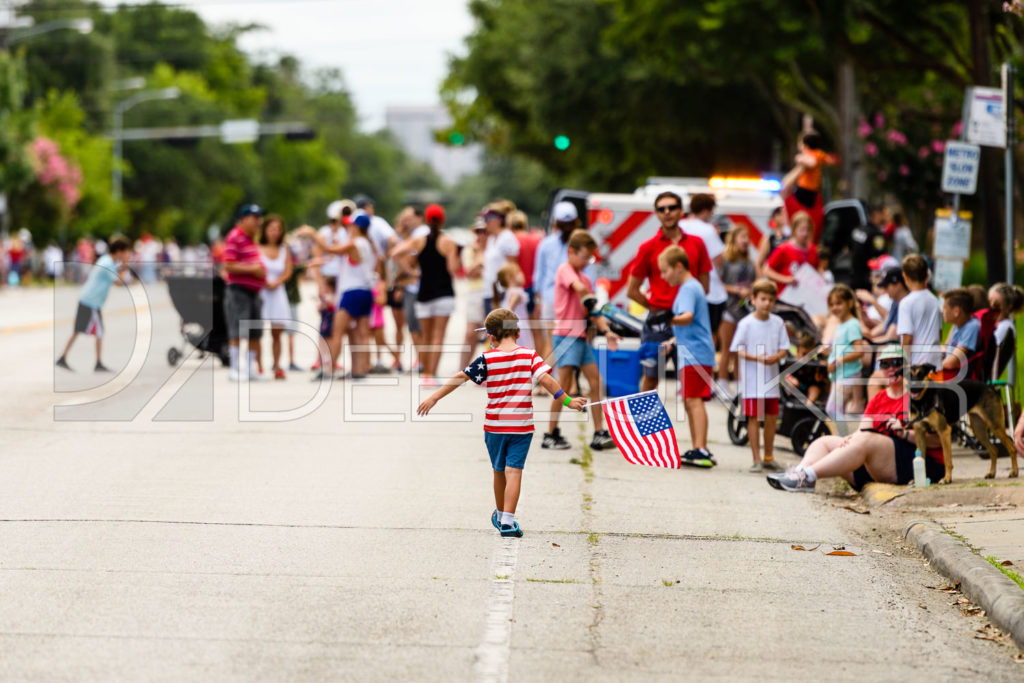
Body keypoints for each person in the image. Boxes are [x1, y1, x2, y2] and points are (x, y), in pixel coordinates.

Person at [417, 308, 586, 538]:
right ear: (517, 332)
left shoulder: (487, 358)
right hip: (522, 426)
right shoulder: (529, 355)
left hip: (495, 427)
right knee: (514, 471)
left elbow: (460, 377)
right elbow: (546, 380)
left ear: (491, 337)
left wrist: (434, 397)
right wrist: (568, 400)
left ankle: (499, 514)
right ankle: (508, 520)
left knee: (499, 471)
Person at [767, 344, 945, 492]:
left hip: (916, 462)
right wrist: (848, 441)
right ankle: (800, 475)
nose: (891, 369)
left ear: (906, 367)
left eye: (896, 363)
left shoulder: (921, 396)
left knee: (866, 439)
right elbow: (862, 430)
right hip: (875, 461)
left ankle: (809, 475)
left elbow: (938, 441)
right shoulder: (879, 397)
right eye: (885, 364)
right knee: (825, 442)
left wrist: (904, 433)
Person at [627, 191, 712, 394]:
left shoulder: (697, 243)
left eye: (672, 207)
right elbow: (632, 289)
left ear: (681, 211)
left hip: (688, 321)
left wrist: (688, 306)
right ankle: (643, 425)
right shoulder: (648, 247)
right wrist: (655, 308)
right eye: (661, 209)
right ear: (656, 213)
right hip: (659, 322)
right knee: (650, 378)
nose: (667, 212)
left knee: (690, 383)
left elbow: (704, 286)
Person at [543, 230, 620, 451]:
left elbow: (592, 312)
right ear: (571, 252)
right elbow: (579, 289)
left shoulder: (585, 277)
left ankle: (599, 432)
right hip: (566, 336)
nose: (587, 262)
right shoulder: (565, 270)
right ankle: (551, 433)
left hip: (582, 338)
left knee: (596, 382)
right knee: (564, 386)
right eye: (585, 257)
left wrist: (607, 331)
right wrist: (589, 297)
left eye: (590, 258)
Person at [659, 246, 717, 467]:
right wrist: (673, 341)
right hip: (691, 353)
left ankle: (701, 448)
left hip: (696, 355)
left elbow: (688, 316)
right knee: (690, 401)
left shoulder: (688, 288)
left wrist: (668, 320)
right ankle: (697, 447)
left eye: (665, 271)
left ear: (679, 266)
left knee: (694, 401)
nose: (664, 277)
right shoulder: (692, 287)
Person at [390, 204, 460, 384]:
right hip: (444, 293)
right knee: (438, 336)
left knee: (426, 336)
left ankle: (426, 374)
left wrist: (412, 271)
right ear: (443, 220)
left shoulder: (419, 241)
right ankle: (433, 373)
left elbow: (396, 253)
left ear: (427, 220)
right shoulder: (448, 242)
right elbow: (453, 269)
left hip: (424, 294)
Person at [729, 278, 789, 472]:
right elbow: (737, 349)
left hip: (770, 380)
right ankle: (756, 457)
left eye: (771, 300)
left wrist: (776, 357)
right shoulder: (746, 323)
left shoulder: (778, 322)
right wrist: (755, 358)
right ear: (753, 299)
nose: (767, 303)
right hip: (752, 381)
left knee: (771, 417)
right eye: (763, 299)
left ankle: (768, 456)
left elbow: (784, 348)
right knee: (753, 418)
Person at [55, 235, 132, 372]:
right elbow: (119, 283)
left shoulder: (106, 260)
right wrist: (124, 267)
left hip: (88, 300)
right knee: (98, 331)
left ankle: (64, 357)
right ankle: (97, 363)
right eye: (126, 252)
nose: (128, 255)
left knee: (80, 330)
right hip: (91, 302)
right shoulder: (108, 263)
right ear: (119, 251)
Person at [533, 201, 583, 366]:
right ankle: (555, 383)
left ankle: (544, 383)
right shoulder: (580, 244)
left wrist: (538, 301)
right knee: (572, 342)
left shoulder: (546, 243)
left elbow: (538, 277)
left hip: (551, 300)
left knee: (551, 341)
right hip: (569, 302)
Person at [221, 204, 267, 381]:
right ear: (244, 219)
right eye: (255, 218)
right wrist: (253, 269)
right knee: (237, 330)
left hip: (253, 292)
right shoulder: (235, 237)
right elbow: (229, 264)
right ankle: (234, 368)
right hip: (239, 291)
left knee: (254, 332)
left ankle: (249, 369)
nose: (258, 222)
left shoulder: (250, 238)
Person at [677, 194, 728, 340]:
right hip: (709, 291)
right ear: (706, 210)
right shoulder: (707, 230)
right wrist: (717, 236)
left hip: (681, 286)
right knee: (708, 332)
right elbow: (719, 260)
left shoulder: (680, 226)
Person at [718, 223, 756, 394]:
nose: (746, 241)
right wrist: (736, 290)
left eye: (747, 237)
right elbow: (718, 283)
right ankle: (723, 382)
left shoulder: (750, 262)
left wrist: (750, 291)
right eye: (743, 237)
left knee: (741, 349)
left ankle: (740, 384)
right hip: (728, 309)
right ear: (734, 240)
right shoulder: (726, 260)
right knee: (727, 348)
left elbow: (755, 281)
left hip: (744, 311)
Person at [826, 284, 867, 434]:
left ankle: (843, 440)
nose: (835, 307)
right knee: (837, 410)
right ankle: (840, 438)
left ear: (850, 303)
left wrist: (838, 361)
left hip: (848, 374)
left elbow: (859, 351)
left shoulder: (852, 325)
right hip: (839, 375)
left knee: (832, 409)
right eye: (831, 304)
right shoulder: (841, 324)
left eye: (839, 303)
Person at [258, 214, 294, 380]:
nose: (275, 232)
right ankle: (258, 365)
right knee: (257, 330)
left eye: (278, 229)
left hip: (277, 292)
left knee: (277, 332)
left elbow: (288, 271)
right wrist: (264, 281)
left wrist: (277, 282)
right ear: (265, 230)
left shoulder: (283, 249)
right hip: (261, 291)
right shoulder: (258, 248)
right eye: (272, 229)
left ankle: (277, 365)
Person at [780, 132, 834, 238]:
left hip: (806, 191)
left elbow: (812, 162)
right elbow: (828, 160)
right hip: (809, 192)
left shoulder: (810, 155)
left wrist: (801, 159)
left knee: (787, 202)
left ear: (805, 145)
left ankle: (788, 227)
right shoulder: (819, 154)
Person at [897, 253, 942, 368]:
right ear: (927, 275)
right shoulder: (934, 300)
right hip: (935, 363)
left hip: (918, 367)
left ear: (905, 276)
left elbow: (907, 338)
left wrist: (904, 367)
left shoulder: (906, 303)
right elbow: (939, 333)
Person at [763, 211, 818, 296]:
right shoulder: (784, 249)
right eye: (802, 230)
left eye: (808, 230)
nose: (805, 234)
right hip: (785, 296)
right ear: (794, 230)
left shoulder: (813, 249)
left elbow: (818, 269)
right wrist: (785, 279)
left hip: (805, 297)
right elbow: (766, 270)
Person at [460, 218, 489, 370]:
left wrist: (479, 264)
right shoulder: (470, 249)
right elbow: (470, 272)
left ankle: (488, 368)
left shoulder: (493, 247)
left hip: (491, 292)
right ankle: (463, 367)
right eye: (479, 231)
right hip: (475, 292)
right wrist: (480, 261)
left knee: (491, 333)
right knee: (471, 333)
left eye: (484, 231)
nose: (481, 234)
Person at [482, 203, 520, 312]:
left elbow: (513, 267)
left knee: (505, 327)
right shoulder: (491, 239)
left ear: (498, 220)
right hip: (490, 292)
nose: (485, 222)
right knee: (490, 328)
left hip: (503, 292)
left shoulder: (507, 238)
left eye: (487, 219)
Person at [939, 287, 980, 378]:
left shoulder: (971, 327)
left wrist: (932, 366)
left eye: (945, 308)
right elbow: (946, 348)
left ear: (956, 312)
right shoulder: (958, 325)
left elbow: (952, 362)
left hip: (957, 377)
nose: (942, 311)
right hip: (949, 372)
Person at [785, 332, 828, 408]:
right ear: (798, 350)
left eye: (810, 355)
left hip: (810, 388)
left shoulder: (815, 364)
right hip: (795, 388)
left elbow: (820, 380)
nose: (807, 358)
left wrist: (822, 362)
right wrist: (791, 379)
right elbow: (786, 375)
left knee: (814, 389)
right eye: (804, 354)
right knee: (791, 383)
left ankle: (808, 406)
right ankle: (794, 405)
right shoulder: (791, 362)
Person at [499, 262, 533, 350]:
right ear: (509, 278)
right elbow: (509, 308)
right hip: (520, 327)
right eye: (518, 272)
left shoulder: (510, 291)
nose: (522, 274)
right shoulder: (516, 293)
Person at [756, 206, 790, 277]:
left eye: (785, 213)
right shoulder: (769, 238)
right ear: (775, 217)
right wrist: (763, 282)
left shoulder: (792, 237)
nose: (785, 216)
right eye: (781, 214)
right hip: (774, 279)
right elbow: (759, 264)